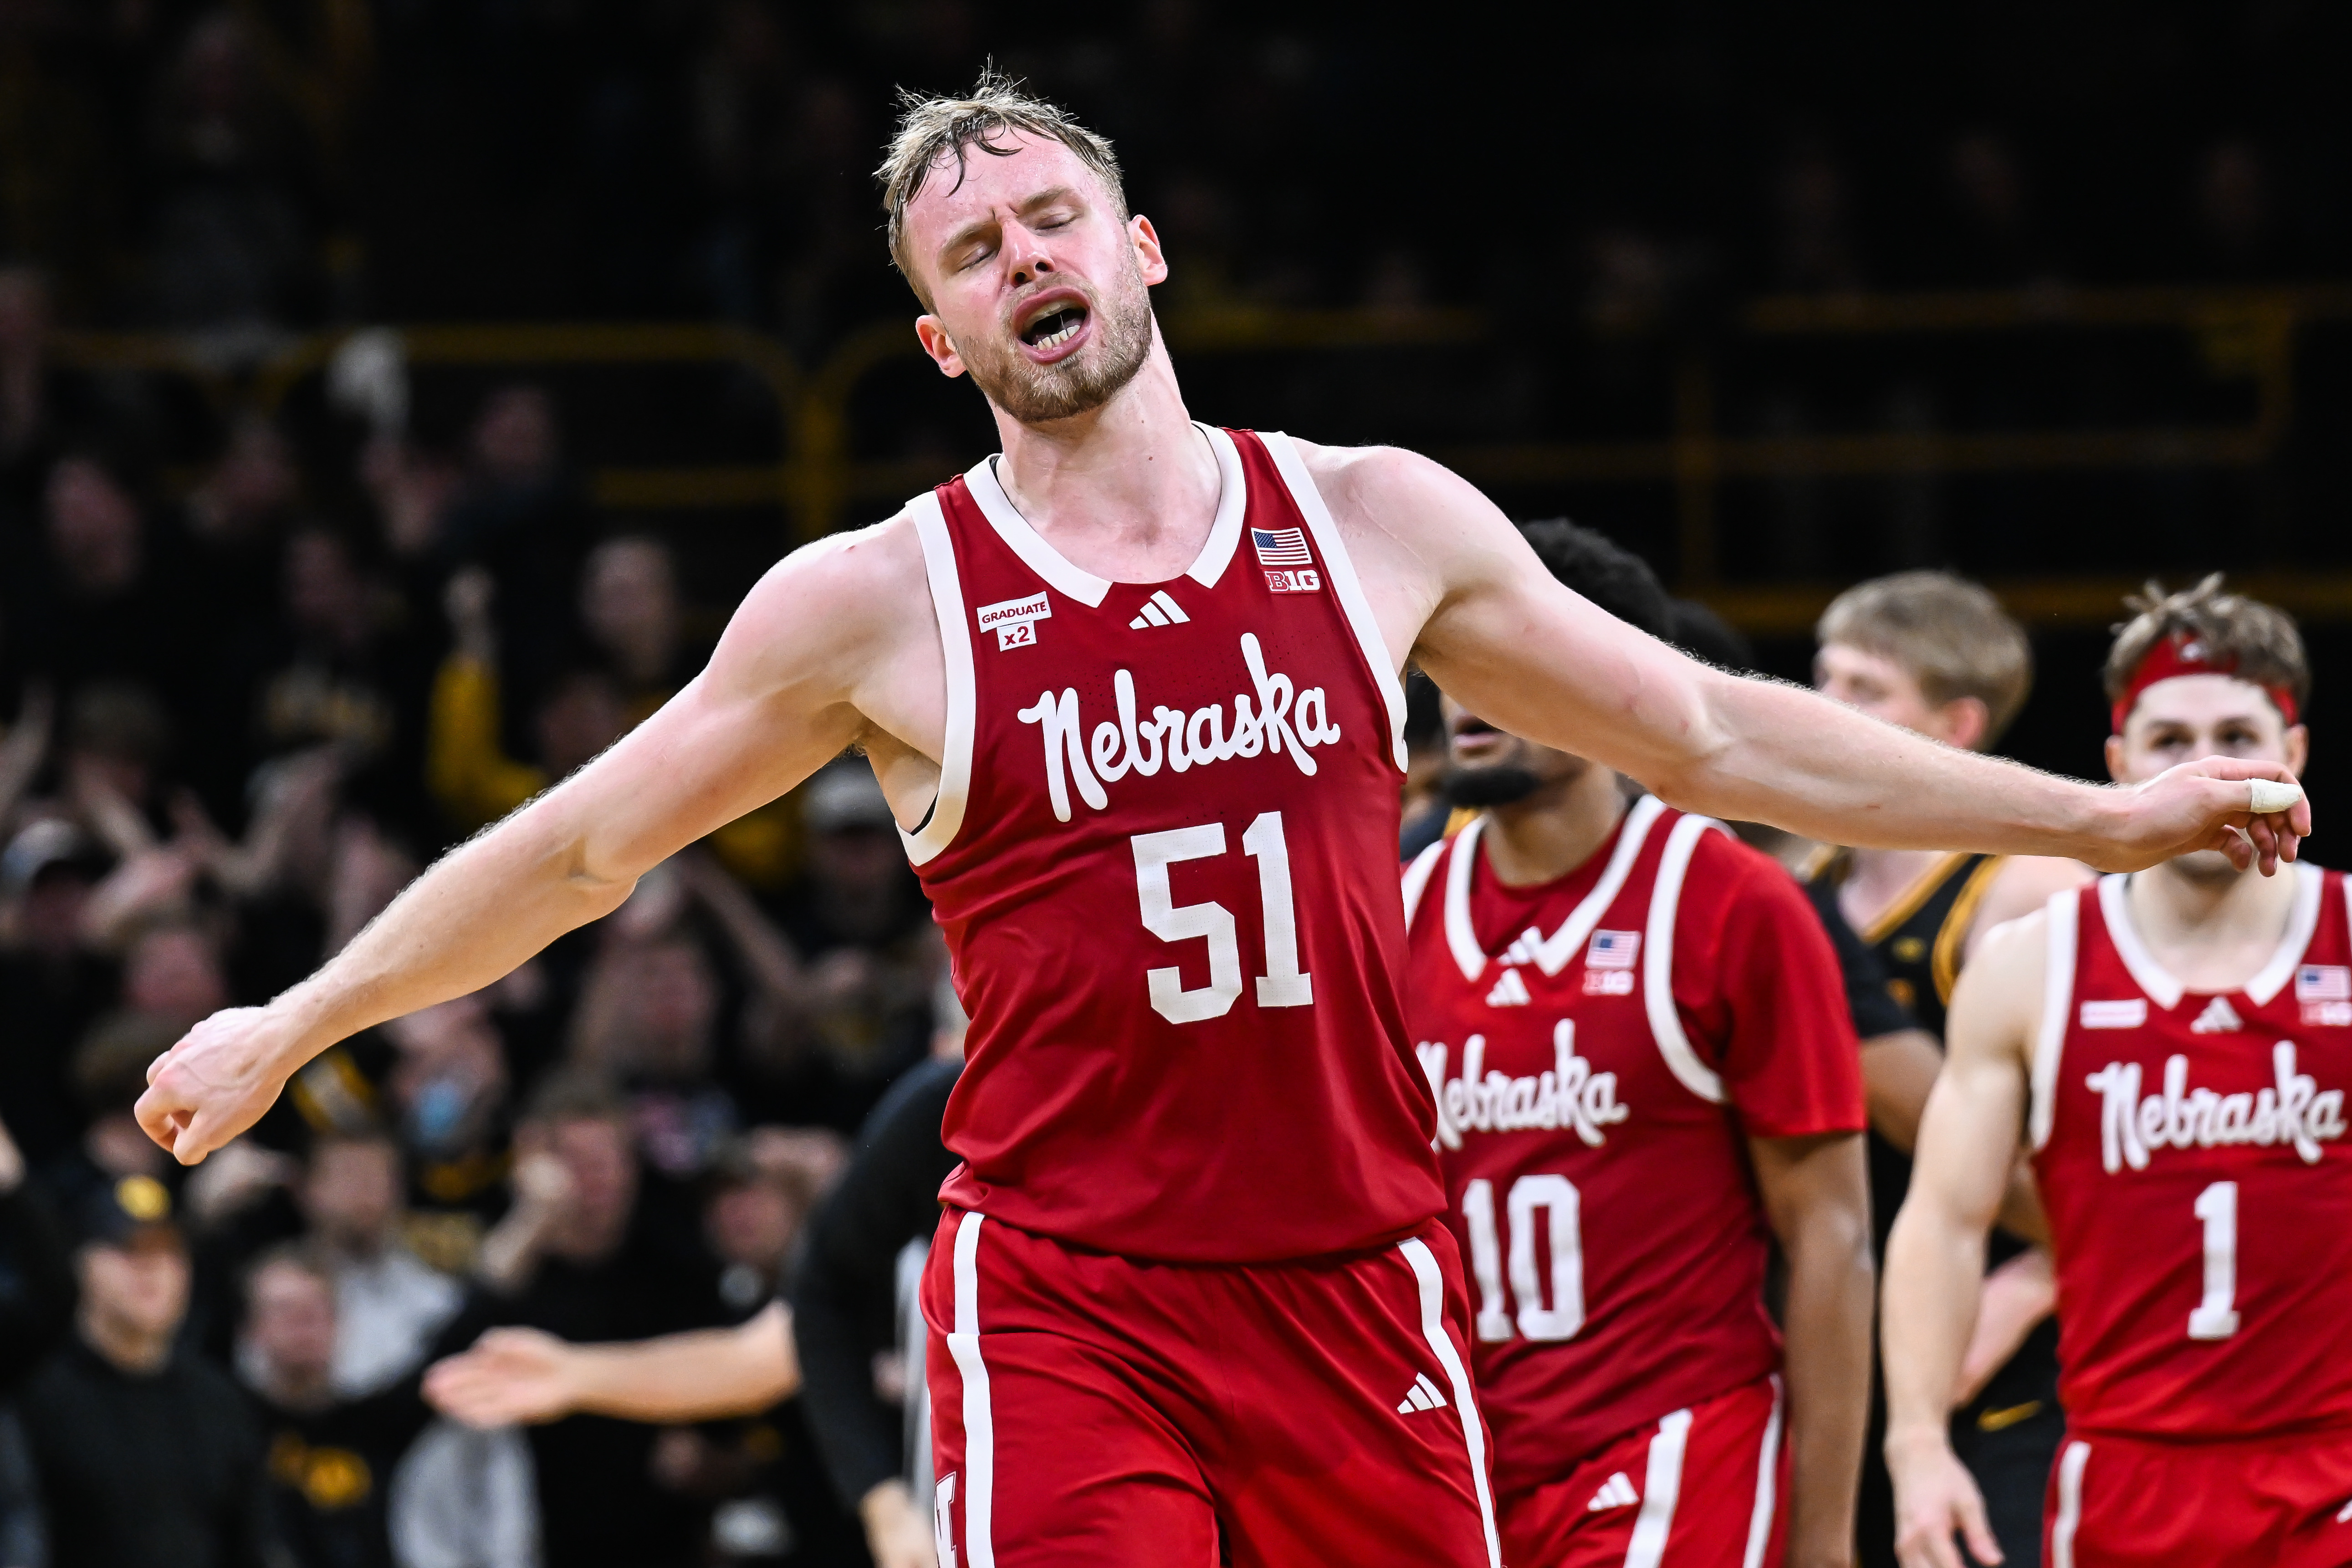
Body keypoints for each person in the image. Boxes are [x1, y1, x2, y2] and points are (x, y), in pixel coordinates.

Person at [138, 77, 2305, 1568]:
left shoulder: (1368, 519)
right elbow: (579, 847)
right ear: (937, 332)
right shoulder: (874, 600)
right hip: (1068, 1289)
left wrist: (2104, 818)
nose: (1019, 260)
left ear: (1140, 245)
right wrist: (301, 1013)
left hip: (1363, 1280)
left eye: (1048, 218)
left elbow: (1720, 733)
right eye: (970, 251)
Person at [1405, 521, 1871, 1568]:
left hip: (1667, 1441)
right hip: (1450, 1455)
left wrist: (1826, 1534)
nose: (1467, 692)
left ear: (1618, 686)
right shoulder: (1390, 910)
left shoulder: (1732, 905)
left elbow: (1832, 1236)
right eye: (1449, 657)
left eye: (1509, 661)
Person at [1884, 577, 2348, 1568]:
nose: (2205, 766)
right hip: (2121, 1470)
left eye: (2237, 731)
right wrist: (1915, 1441)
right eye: (2169, 741)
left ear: (2296, 754)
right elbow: (1942, 1219)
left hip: (2331, 1460)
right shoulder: (2029, 963)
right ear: (2117, 765)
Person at [1811, 571, 2091, 1568]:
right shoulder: (1796, 878)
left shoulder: (2021, 886)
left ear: (1957, 722)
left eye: (1865, 688)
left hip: (1994, 1348)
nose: (1823, 708)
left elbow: (2118, 1147)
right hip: (1834, 1326)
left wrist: (2049, 1268)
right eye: (1821, 676)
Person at [16, 1175, 269, 1568]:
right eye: (128, 1249)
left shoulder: (220, 1399)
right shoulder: (37, 1396)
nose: (152, 1267)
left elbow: (249, 1545)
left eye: (169, 1250)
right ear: (82, 1264)